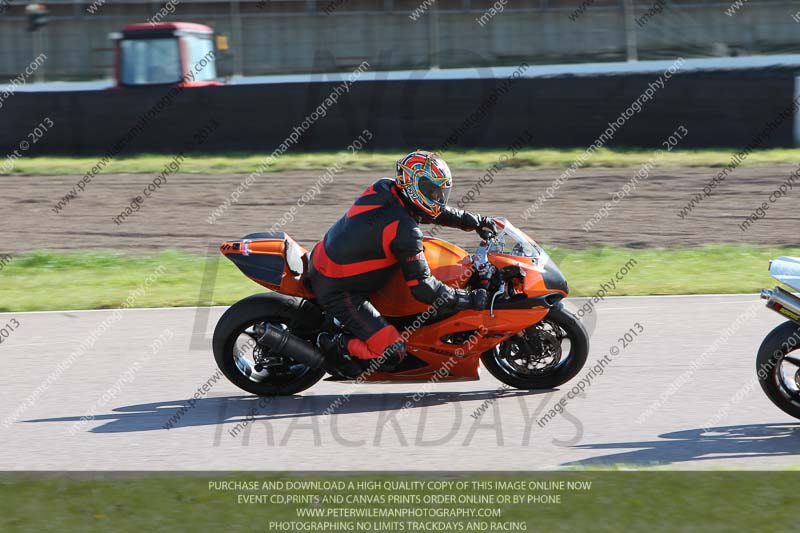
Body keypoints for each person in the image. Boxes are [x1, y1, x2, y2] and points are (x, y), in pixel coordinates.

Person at [307, 150, 497, 377]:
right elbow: (425, 289)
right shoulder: (405, 230)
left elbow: (431, 211)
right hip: (338, 288)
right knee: (393, 352)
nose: (438, 198)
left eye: (440, 192)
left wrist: (476, 222)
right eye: (432, 191)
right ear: (413, 185)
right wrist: (468, 299)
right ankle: (335, 344)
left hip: (327, 257)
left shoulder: (385, 188)